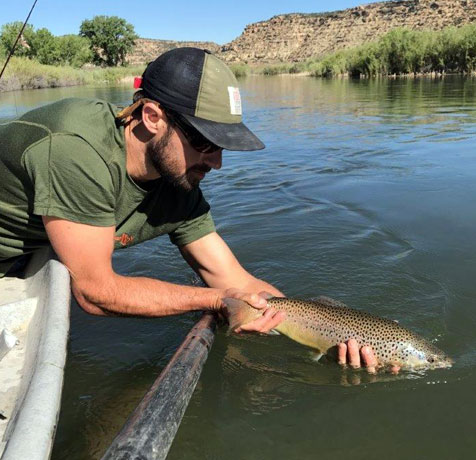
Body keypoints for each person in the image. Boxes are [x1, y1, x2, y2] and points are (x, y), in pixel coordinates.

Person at [0, 47, 378, 370]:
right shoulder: (77, 150)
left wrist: (338, 336)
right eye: (205, 141)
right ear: (151, 117)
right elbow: (97, 292)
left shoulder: (180, 181)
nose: (216, 163)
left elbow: (236, 281)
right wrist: (215, 300)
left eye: (223, 146)